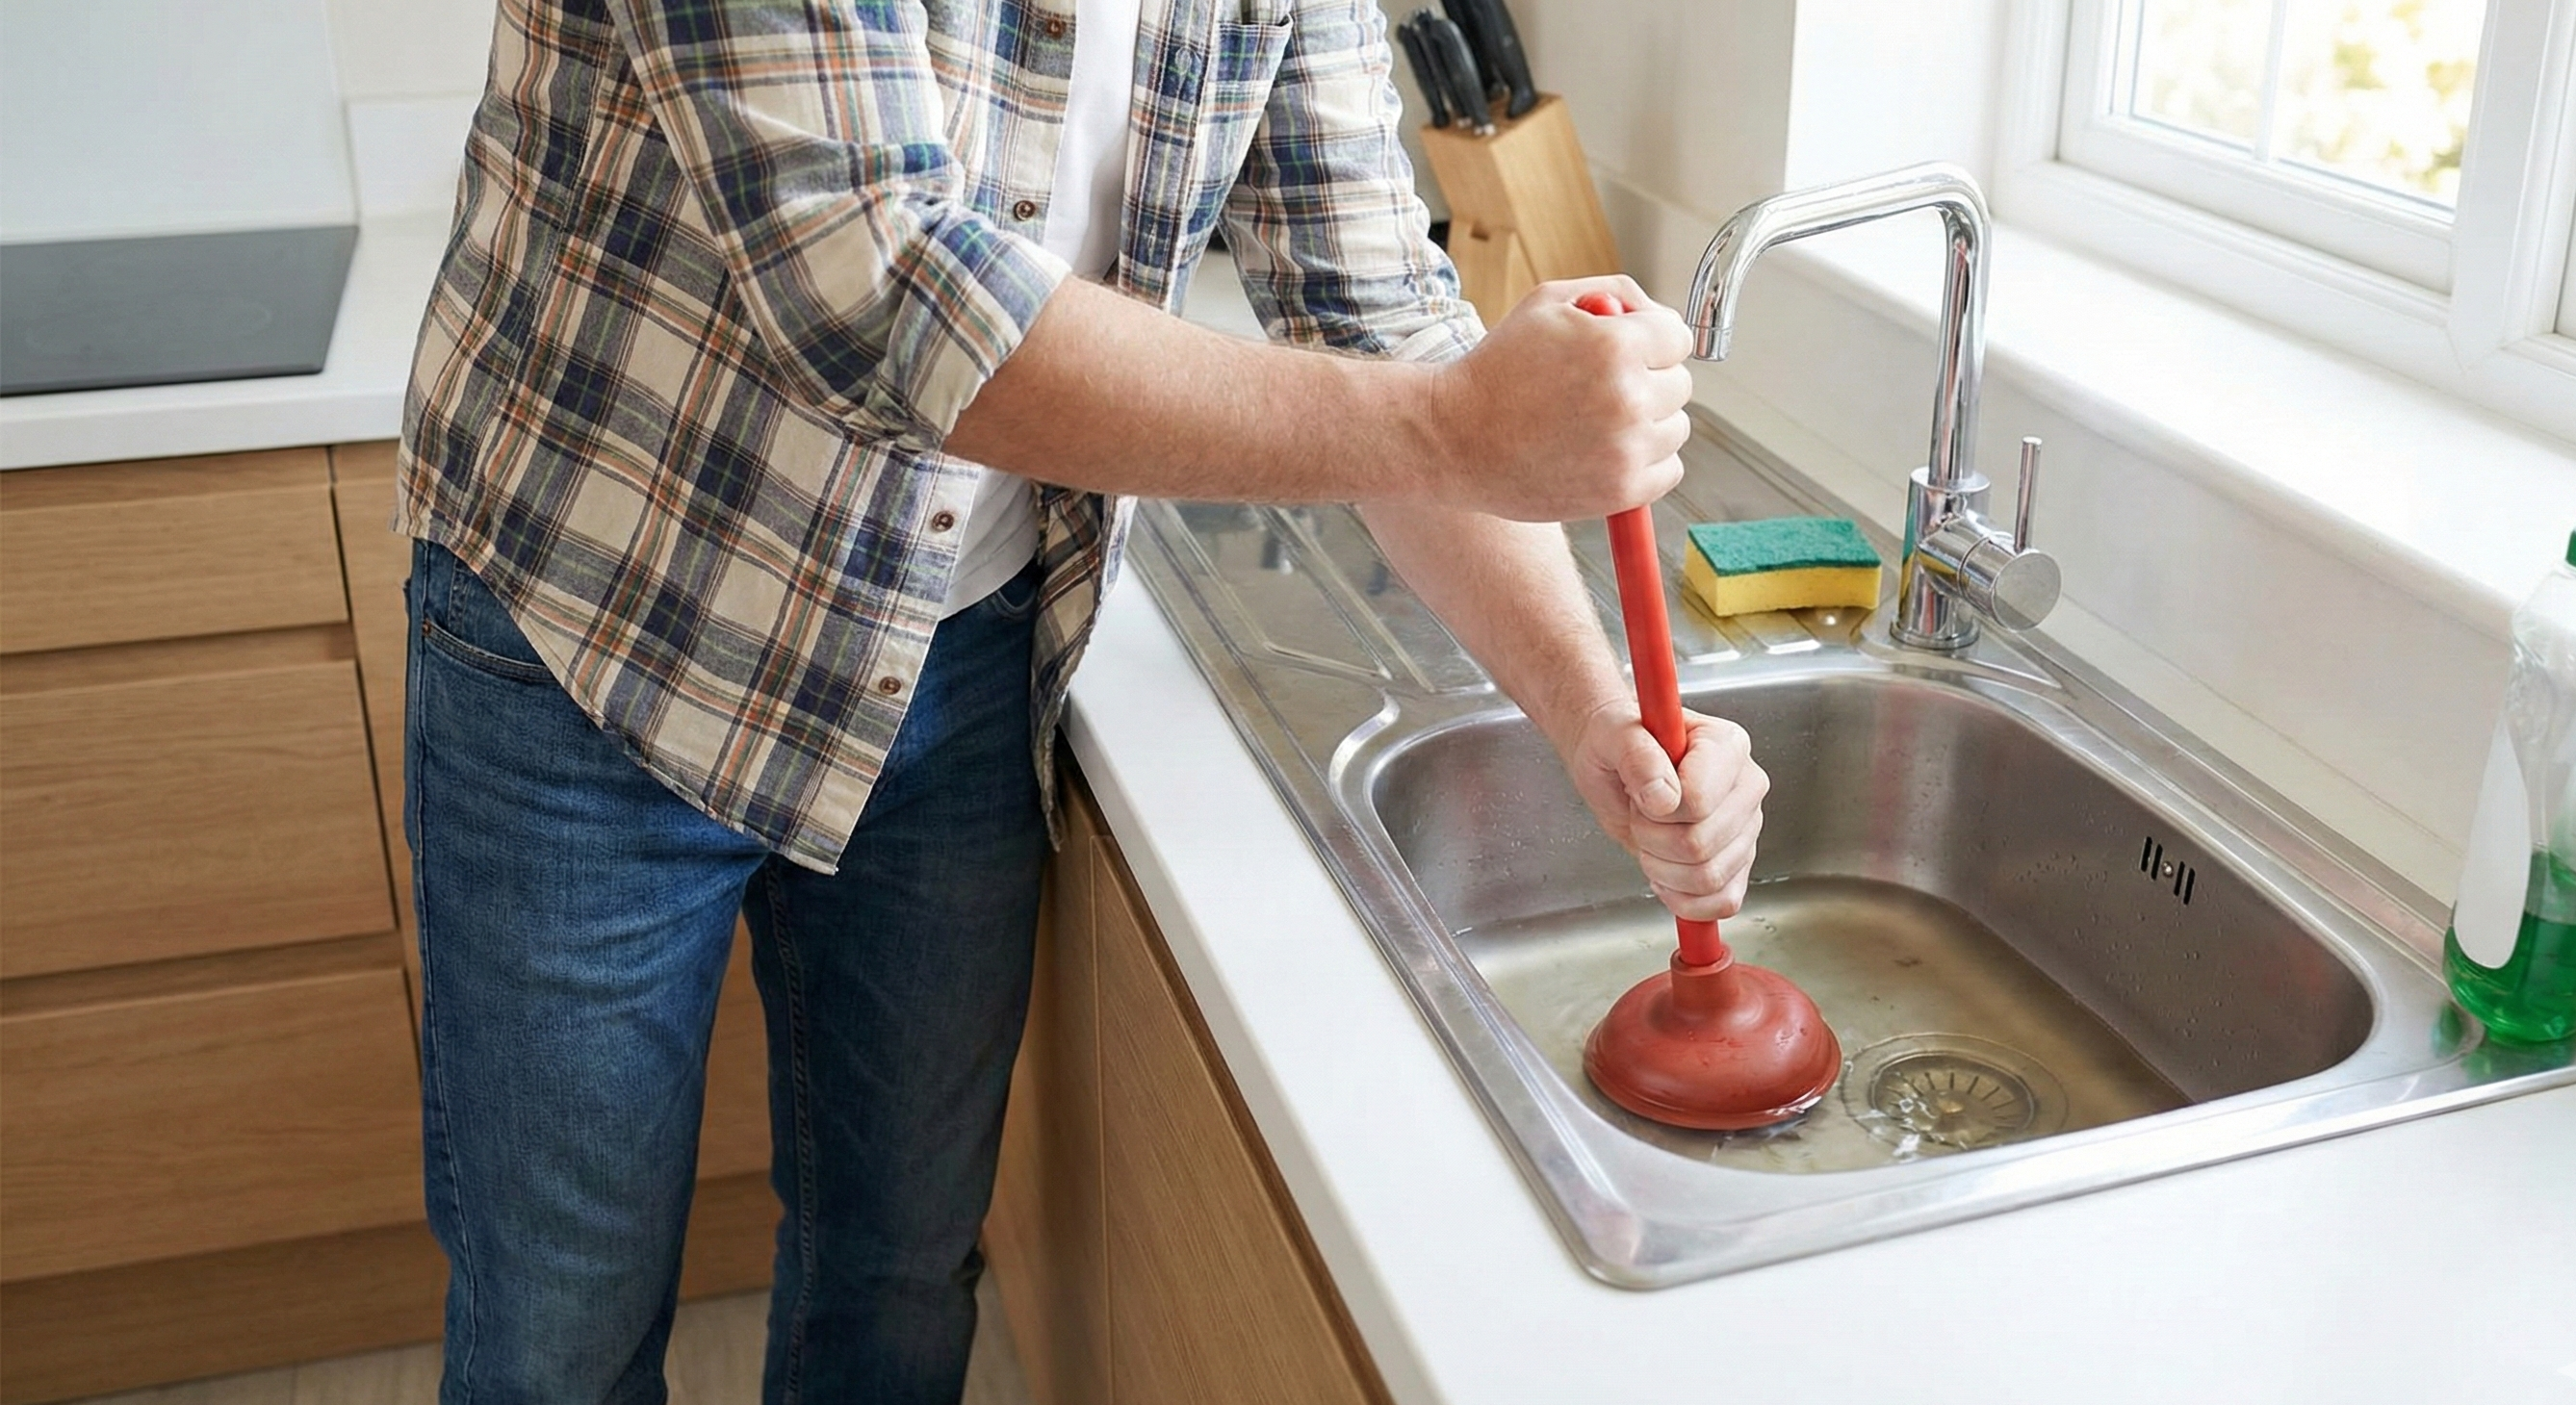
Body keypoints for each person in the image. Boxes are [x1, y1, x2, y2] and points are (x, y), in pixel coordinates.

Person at [394, 0, 1768, 1399]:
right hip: (598, 621)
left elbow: (1377, 317)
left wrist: (1595, 718)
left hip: (964, 640)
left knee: (900, 1272)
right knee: (554, 1335)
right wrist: (1464, 429)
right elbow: (876, 287)